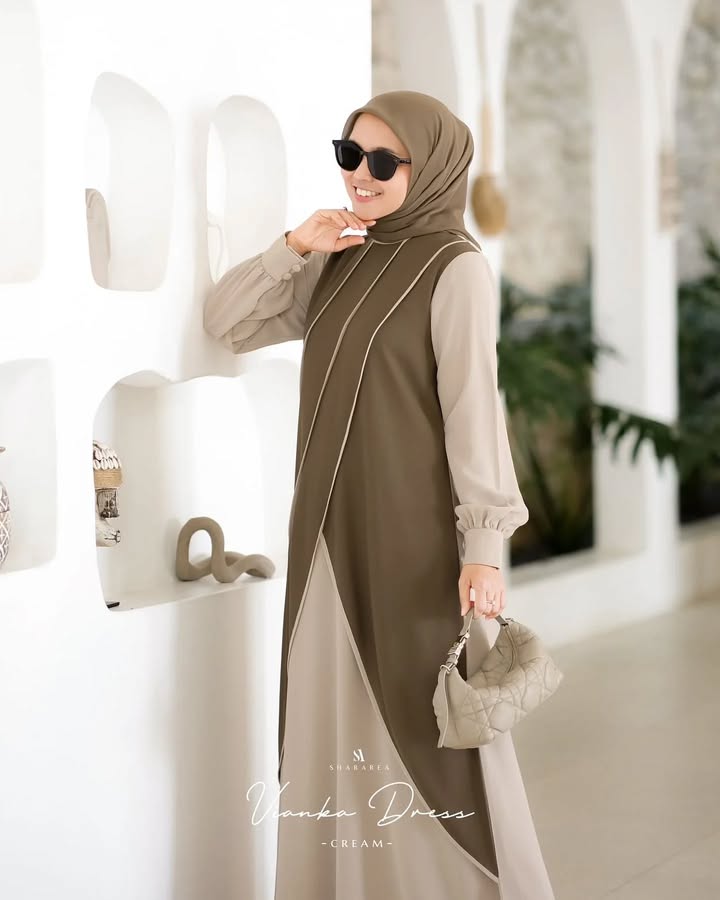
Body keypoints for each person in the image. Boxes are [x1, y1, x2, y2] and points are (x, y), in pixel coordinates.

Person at [204, 90, 555, 900]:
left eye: (383, 161)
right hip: (325, 536)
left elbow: (473, 411)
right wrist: (294, 246)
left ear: (427, 169)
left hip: (410, 545)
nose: (360, 174)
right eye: (348, 153)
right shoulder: (340, 256)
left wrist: (483, 547)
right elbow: (227, 323)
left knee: (431, 734)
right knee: (331, 717)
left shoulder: (456, 268)